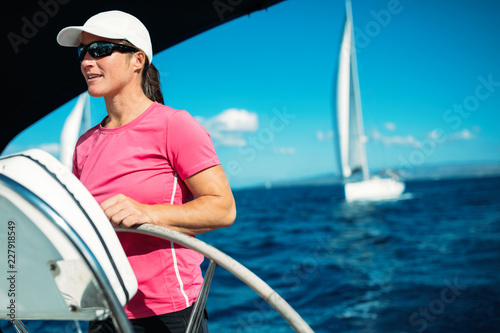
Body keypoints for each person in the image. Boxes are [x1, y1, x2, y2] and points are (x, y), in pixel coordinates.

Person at [56, 10, 236, 333]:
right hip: (105, 310)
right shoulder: (83, 145)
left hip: (166, 313)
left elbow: (223, 208)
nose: (86, 61)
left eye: (100, 50)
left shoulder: (174, 125)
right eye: (83, 52)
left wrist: (148, 214)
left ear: (137, 60)